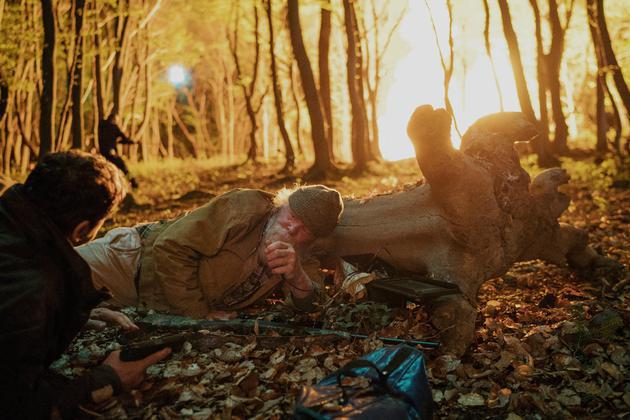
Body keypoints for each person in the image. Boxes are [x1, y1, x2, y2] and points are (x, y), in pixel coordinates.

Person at [0, 151, 170, 419]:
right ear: (82, 230)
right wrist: (107, 378)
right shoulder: (33, 289)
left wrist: (66, 312)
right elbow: (16, 404)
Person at [76, 185, 344, 319]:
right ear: (284, 204)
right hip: (130, 260)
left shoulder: (303, 255)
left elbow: (313, 307)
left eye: (305, 228)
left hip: (146, 304)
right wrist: (200, 314)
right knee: (51, 271)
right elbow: (170, 247)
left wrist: (297, 278)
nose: (292, 225)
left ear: (314, 238)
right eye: (293, 214)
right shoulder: (245, 208)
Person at [98, 113, 139, 188]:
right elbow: (124, 138)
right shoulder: (114, 127)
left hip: (101, 153)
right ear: (114, 119)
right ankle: (133, 184)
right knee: (123, 167)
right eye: (116, 120)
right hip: (111, 154)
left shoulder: (101, 126)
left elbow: (110, 139)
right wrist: (133, 142)